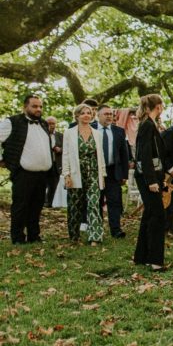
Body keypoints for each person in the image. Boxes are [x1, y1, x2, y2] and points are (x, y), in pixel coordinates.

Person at [0, 94, 53, 244]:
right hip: (23, 173)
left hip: (42, 174)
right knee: (20, 207)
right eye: (34, 106)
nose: (38, 109)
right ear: (25, 107)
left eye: (40, 106)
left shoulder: (43, 123)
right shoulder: (12, 122)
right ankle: (17, 238)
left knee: (36, 206)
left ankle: (34, 236)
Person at [62, 103, 106, 245]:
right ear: (77, 116)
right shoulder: (69, 133)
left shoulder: (97, 134)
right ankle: (74, 236)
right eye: (83, 113)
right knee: (74, 205)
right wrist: (67, 175)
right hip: (76, 173)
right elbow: (66, 155)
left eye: (89, 113)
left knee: (93, 204)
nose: (86, 115)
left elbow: (101, 156)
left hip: (93, 173)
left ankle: (95, 237)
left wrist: (103, 175)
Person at [133, 94, 168, 270]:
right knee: (157, 216)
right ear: (158, 107)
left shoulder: (151, 125)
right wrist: (151, 180)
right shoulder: (147, 125)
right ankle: (155, 260)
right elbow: (144, 154)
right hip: (148, 177)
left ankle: (141, 256)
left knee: (149, 215)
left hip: (153, 175)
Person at [96, 105, 130, 238]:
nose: (109, 116)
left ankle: (116, 230)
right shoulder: (91, 129)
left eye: (110, 114)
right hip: (96, 171)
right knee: (97, 200)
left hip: (113, 171)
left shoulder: (119, 131)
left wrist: (124, 174)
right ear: (98, 115)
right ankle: (97, 228)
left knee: (115, 201)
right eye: (106, 114)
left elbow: (124, 154)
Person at [45, 115, 63, 208]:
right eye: (49, 123)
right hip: (44, 164)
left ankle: (50, 203)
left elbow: (67, 148)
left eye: (53, 123)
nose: (51, 125)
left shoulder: (60, 135)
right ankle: (42, 201)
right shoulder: (42, 135)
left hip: (56, 164)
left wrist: (60, 149)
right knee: (42, 184)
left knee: (54, 184)